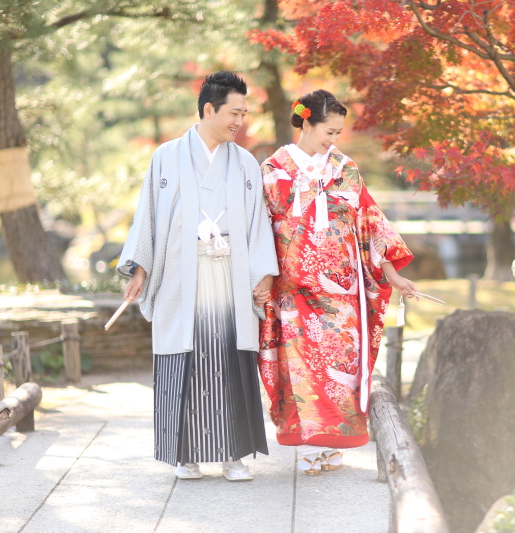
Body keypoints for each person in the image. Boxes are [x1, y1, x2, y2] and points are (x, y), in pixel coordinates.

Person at [117, 71, 278, 481]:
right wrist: (140, 267)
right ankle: (184, 454)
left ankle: (233, 455)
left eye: (244, 113)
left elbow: (259, 223)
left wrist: (263, 274)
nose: (240, 121)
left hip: (230, 272)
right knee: (182, 358)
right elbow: (148, 217)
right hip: (179, 275)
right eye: (234, 112)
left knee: (229, 356)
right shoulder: (166, 157)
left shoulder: (244, 163)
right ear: (209, 109)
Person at [258, 90, 416, 475]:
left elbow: (370, 221)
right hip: (293, 291)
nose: (334, 139)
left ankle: (335, 448)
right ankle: (312, 450)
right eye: (329, 131)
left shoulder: (345, 169)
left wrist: (393, 272)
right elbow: (258, 229)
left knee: (340, 365)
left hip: (343, 293)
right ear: (306, 122)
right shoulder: (275, 169)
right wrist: (262, 276)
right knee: (302, 370)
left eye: (338, 132)